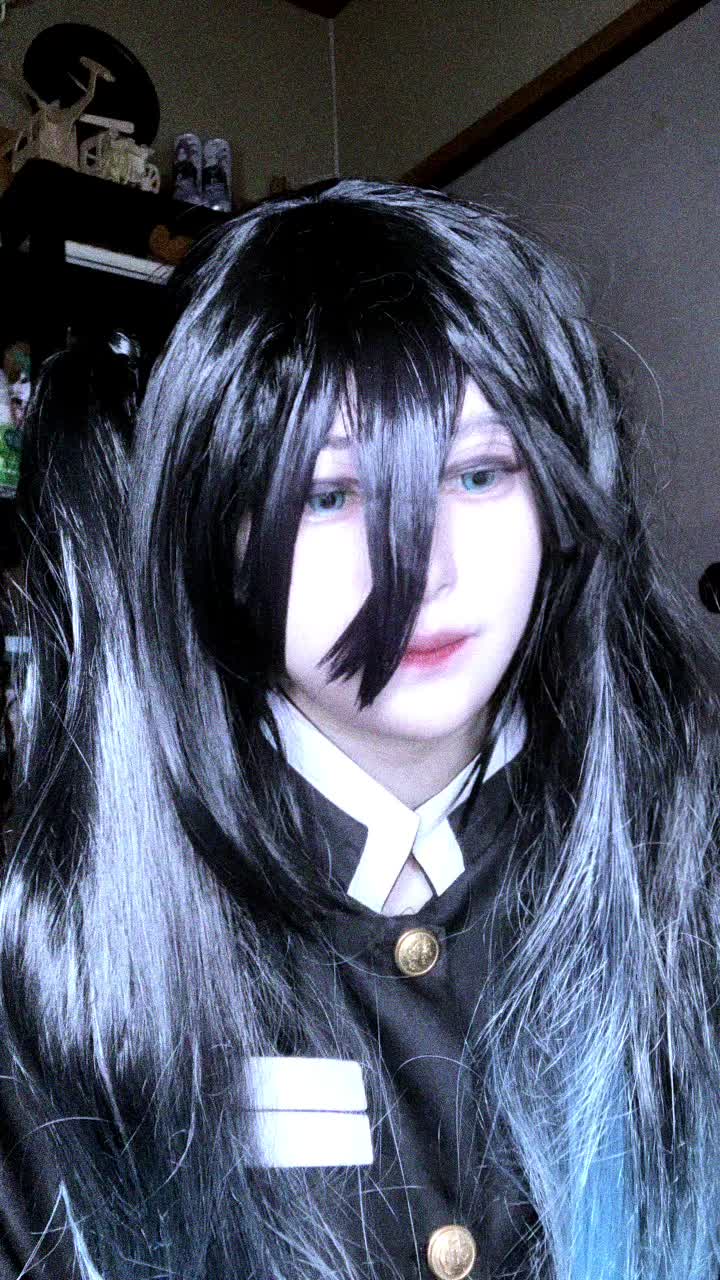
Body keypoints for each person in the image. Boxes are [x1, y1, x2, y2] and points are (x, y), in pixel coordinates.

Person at [1, 179, 719, 1280]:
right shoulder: (75, 940)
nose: (423, 567)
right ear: (213, 531)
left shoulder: (680, 853)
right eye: (330, 495)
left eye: (477, 472)